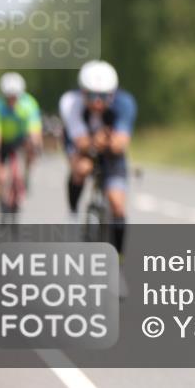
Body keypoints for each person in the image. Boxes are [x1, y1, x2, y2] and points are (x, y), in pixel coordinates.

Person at [60, 60, 136, 260]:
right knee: (82, 169)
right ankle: (73, 214)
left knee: (117, 204)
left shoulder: (125, 103)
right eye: (92, 95)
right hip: (82, 148)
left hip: (110, 153)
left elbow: (119, 144)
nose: (98, 102)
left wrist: (105, 142)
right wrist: (99, 140)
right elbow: (82, 142)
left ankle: (118, 257)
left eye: (104, 96)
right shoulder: (70, 102)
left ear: (113, 94)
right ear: (82, 92)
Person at [0, 73, 42, 209]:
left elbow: (34, 128)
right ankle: (1, 201)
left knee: (32, 148)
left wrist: (35, 144)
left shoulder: (29, 104)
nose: (11, 100)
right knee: (1, 177)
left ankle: (27, 174)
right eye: (8, 97)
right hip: (3, 139)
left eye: (15, 97)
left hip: (21, 138)